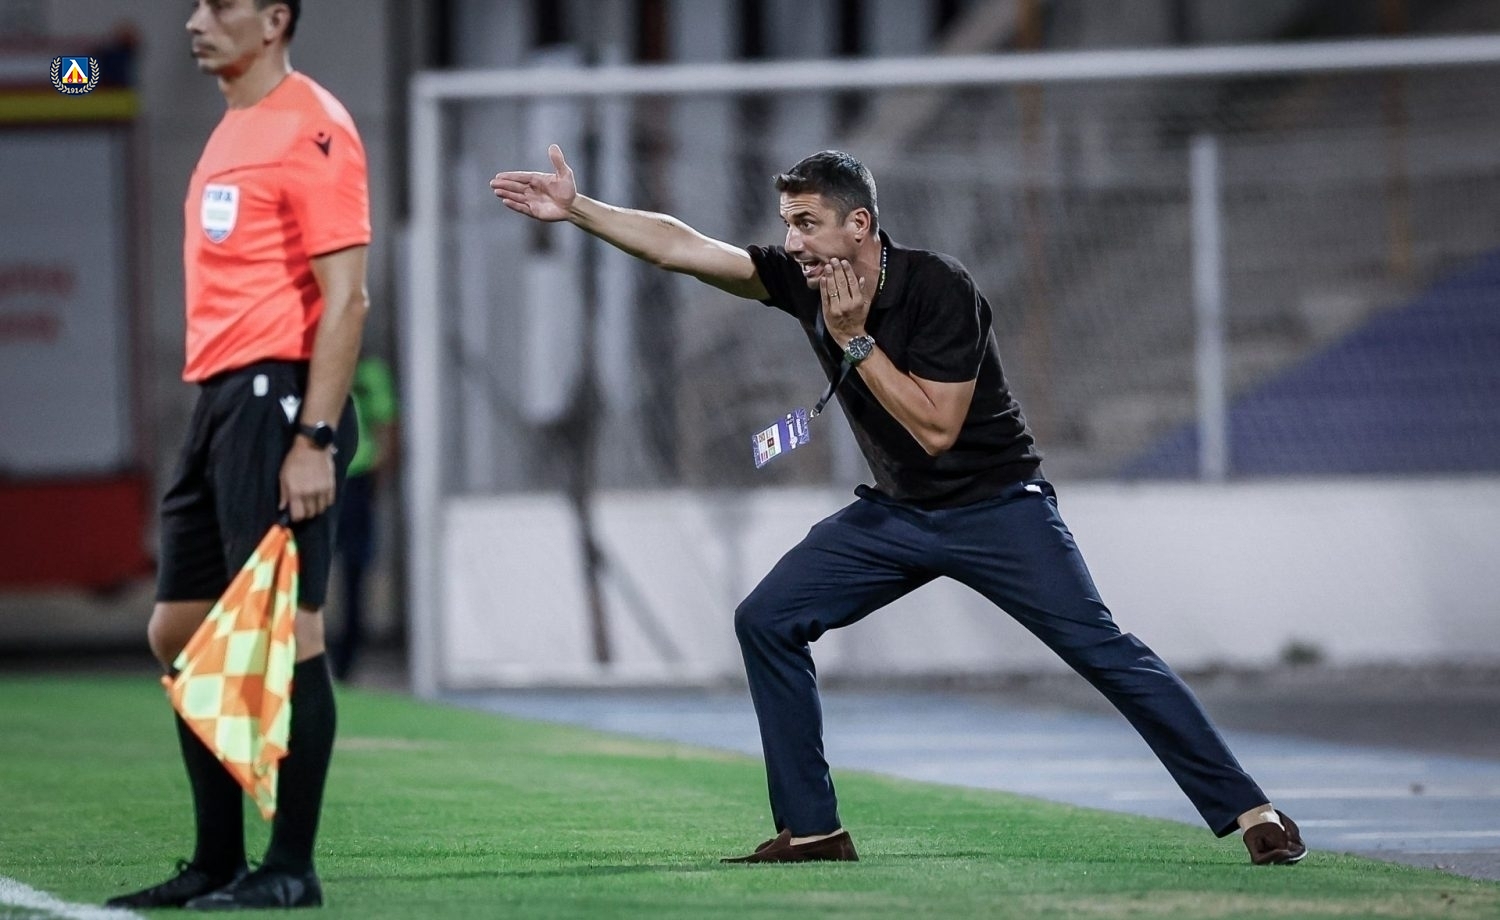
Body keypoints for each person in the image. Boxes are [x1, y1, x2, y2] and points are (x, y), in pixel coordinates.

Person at [490, 145, 1308, 867]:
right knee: (767, 619)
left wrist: (855, 339)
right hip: (897, 515)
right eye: (787, 224)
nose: (793, 243)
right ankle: (813, 831)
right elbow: (684, 248)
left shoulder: (940, 287)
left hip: (999, 510)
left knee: (1105, 652)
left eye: (807, 223)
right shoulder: (805, 280)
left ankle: (1253, 812)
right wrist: (579, 209)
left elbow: (936, 429)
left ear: (860, 225)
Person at [107, 0, 369, 909]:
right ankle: (216, 862)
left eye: (221, 6)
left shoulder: (314, 126)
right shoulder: (231, 126)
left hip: (279, 400)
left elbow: (348, 300)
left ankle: (290, 868)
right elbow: (85, 77)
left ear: (274, 20)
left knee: (291, 632)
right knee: (179, 632)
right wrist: (68, 73)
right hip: (219, 402)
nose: (196, 20)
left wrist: (314, 438)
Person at [331, 353, 398, 683]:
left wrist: (377, 477)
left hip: (355, 481)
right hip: (318, 476)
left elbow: (387, 427)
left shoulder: (370, 374)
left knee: (354, 572)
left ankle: (346, 660)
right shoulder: (311, 366)